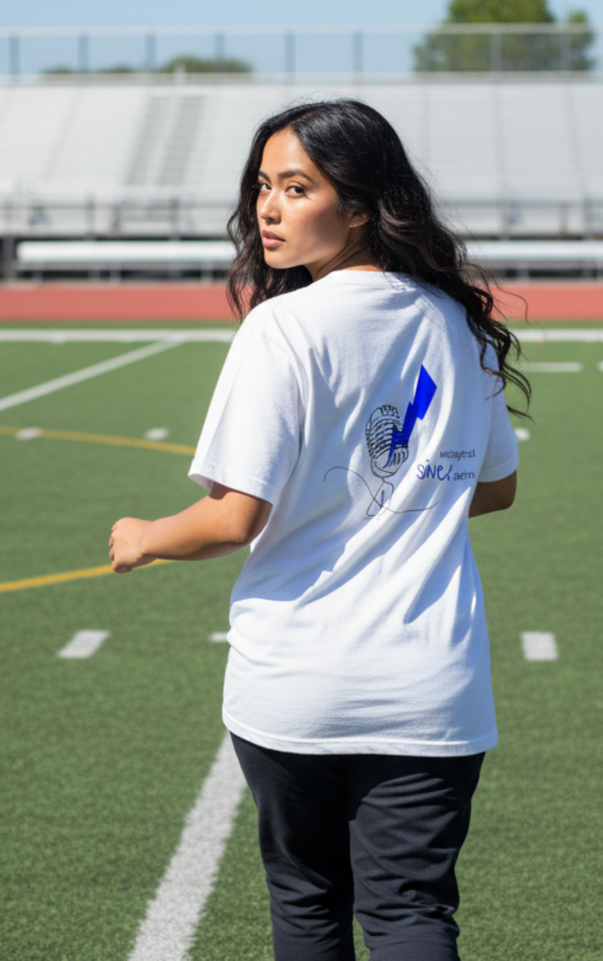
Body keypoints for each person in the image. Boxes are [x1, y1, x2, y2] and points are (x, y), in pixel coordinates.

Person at [109, 99, 530, 961]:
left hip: (296, 677)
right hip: (431, 680)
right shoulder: (457, 320)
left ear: (363, 204)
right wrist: (400, 494)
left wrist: (145, 535)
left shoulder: (282, 327)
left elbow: (233, 520)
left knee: (307, 905)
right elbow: (494, 489)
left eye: (296, 187)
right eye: (262, 186)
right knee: (413, 913)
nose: (268, 207)